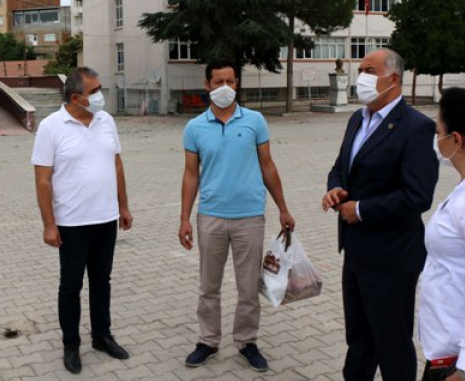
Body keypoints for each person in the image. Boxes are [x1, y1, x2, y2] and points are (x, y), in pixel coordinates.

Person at [322, 48, 438, 381]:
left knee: (392, 345)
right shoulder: (358, 118)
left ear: (393, 78)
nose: (362, 78)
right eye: (360, 70)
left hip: (392, 256)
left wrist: (360, 209)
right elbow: (341, 167)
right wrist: (336, 188)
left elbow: (418, 195)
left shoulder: (416, 127)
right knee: (358, 341)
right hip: (356, 251)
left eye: (369, 70)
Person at [180, 60, 295, 372]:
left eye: (230, 81)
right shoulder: (195, 127)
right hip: (211, 217)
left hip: (250, 217)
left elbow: (268, 166)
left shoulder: (254, 121)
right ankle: (208, 340)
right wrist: (184, 218)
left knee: (247, 288)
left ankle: (247, 341)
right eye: (218, 82)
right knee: (208, 286)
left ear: (238, 83)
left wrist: (283, 208)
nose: (225, 88)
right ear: (207, 85)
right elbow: (191, 175)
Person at [31, 67, 133, 374]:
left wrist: (123, 206)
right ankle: (71, 345)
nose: (101, 95)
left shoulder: (107, 121)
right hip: (71, 224)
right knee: (70, 286)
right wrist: (49, 224)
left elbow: (116, 164)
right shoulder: (51, 127)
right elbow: (43, 181)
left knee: (102, 281)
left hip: (105, 219)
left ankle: (102, 336)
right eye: (95, 91)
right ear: (76, 97)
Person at [418, 87, 465, 381]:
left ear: (456, 140)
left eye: (438, 132)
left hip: (454, 362)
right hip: (443, 351)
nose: (436, 141)